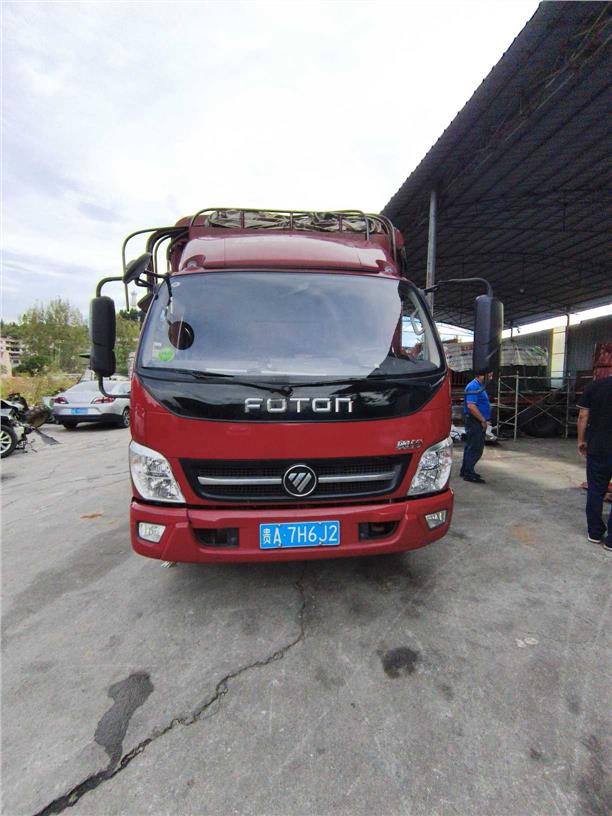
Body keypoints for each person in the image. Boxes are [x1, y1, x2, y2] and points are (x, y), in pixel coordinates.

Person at [576, 374, 612, 552]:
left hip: (598, 447)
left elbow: (583, 415)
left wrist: (581, 440)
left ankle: (595, 533)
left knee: (596, 491)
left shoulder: (594, 386)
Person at [460, 371, 493, 483]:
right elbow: (471, 406)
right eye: (489, 376)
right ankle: (468, 474)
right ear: (481, 375)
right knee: (475, 448)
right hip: (475, 421)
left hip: (476, 420)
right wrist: (482, 420)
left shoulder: (479, 386)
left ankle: (466, 470)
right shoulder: (473, 386)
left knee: (471, 446)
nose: (491, 378)